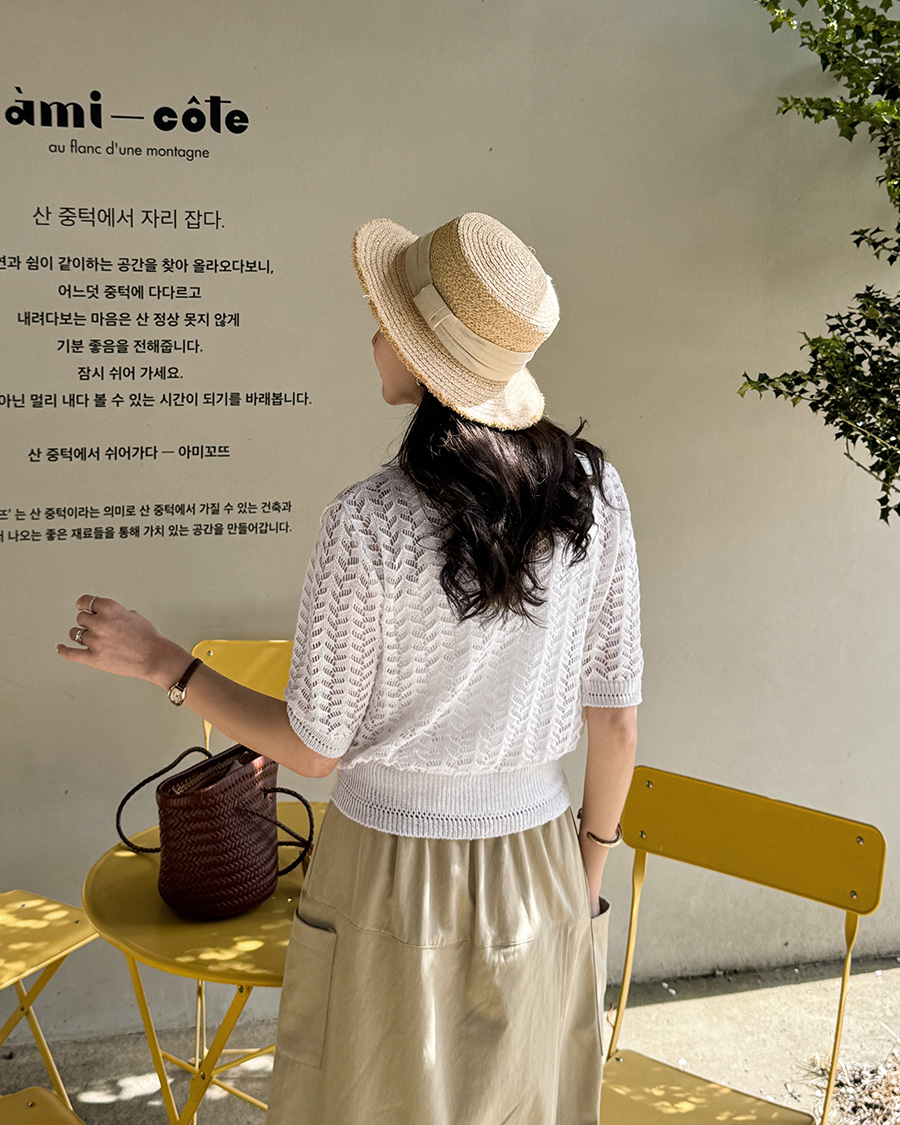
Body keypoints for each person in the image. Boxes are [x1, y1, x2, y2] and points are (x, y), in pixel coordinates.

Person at [57, 212, 642, 1124]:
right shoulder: (595, 495)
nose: (374, 335)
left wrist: (165, 661)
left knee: (373, 1102)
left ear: (420, 358)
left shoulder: (369, 521)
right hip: (540, 860)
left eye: (387, 320)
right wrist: (586, 874)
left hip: (389, 871)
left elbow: (313, 748)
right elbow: (617, 721)